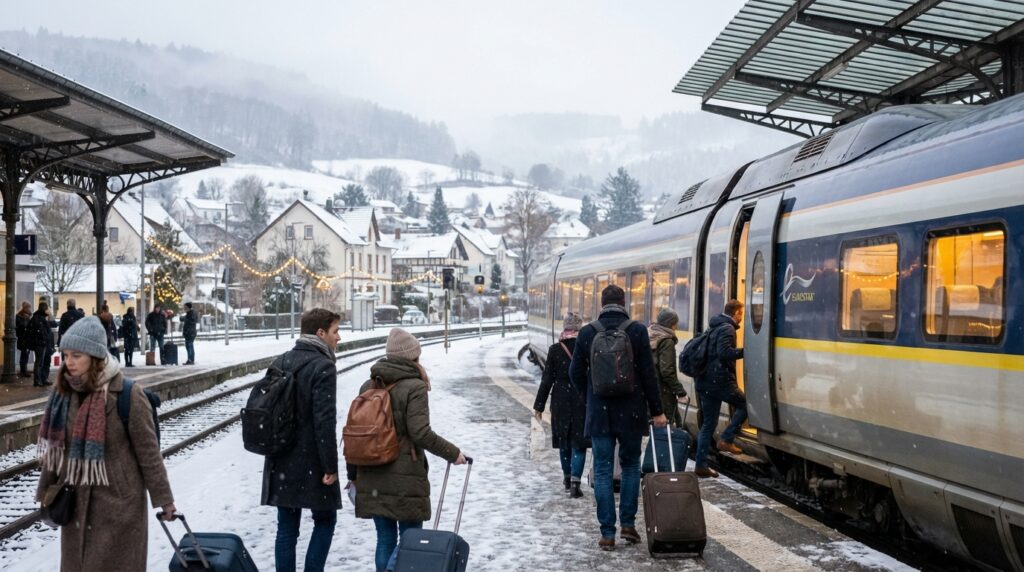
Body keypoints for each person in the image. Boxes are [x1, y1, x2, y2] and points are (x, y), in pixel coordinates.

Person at [35, 316, 176, 571]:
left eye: (76, 355)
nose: (69, 362)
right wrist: (46, 495)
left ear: (95, 355)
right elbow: (55, 454)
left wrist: (164, 500)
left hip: (118, 509)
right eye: (66, 355)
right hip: (75, 507)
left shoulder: (128, 395)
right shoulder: (63, 394)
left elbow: (149, 454)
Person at [347, 328, 467, 572]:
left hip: (372, 473)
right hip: (405, 475)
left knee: (385, 539)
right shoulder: (415, 386)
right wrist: (453, 453)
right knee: (411, 540)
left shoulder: (368, 385)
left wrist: (353, 475)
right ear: (412, 357)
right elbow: (420, 432)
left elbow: (356, 433)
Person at [569, 285, 667, 551]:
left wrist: (590, 397)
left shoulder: (588, 332)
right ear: (623, 303)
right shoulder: (636, 331)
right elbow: (649, 374)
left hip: (600, 413)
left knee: (602, 470)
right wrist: (657, 410)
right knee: (630, 467)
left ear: (602, 304)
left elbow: (574, 372)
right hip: (631, 411)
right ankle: (628, 524)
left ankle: (607, 533)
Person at [261, 308, 342, 572]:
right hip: (312, 460)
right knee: (326, 519)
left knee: (286, 528)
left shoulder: (281, 360)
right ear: (320, 333)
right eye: (335, 331)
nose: (338, 337)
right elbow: (324, 421)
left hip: (281, 457)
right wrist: (330, 466)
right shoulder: (324, 367)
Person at [533, 312, 590, 498]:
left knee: (564, 443)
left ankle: (566, 479)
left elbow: (547, 379)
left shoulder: (555, 349)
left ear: (565, 328)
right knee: (579, 444)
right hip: (582, 399)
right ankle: (575, 482)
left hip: (560, 401)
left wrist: (539, 405)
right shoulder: (586, 347)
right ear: (579, 328)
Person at [694, 299, 748, 479]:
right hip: (720, 381)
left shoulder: (716, 325)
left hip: (706, 380)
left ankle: (700, 464)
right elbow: (724, 353)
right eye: (741, 313)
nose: (742, 317)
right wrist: (746, 351)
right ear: (736, 313)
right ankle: (726, 438)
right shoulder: (728, 328)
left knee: (709, 423)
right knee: (745, 405)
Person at [648, 308, 688, 427]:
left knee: (656, 428)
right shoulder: (666, 340)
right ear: (672, 324)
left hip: (651, 390)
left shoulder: (649, 335)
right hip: (663, 392)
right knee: (667, 428)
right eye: (675, 323)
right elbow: (667, 371)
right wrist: (680, 392)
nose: (676, 326)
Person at [26, 302, 57, 387]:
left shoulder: (43, 317)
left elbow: (54, 324)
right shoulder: (38, 318)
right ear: (45, 309)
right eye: (48, 309)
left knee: (46, 361)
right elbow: (40, 332)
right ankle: (38, 380)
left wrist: (50, 316)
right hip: (41, 344)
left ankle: (43, 379)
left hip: (45, 343)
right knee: (40, 362)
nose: (49, 310)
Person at [16, 301, 33, 378]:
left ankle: (24, 370)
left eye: (30, 307)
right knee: (24, 354)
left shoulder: (30, 316)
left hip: (28, 338)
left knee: (26, 354)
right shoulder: (19, 316)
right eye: (28, 307)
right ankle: (23, 371)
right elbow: (20, 327)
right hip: (23, 338)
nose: (29, 309)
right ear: (24, 308)